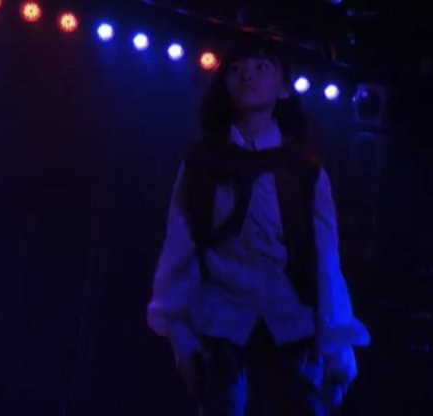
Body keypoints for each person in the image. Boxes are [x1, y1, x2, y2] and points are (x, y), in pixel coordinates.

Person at [146, 39, 370, 415]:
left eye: (261, 66)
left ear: (283, 88)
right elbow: (179, 245)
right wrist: (179, 333)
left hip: (291, 324)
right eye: (235, 68)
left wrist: (338, 343)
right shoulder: (202, 163)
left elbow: (325, 260)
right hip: (219, 322)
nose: (247, 74)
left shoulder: (304, 170)